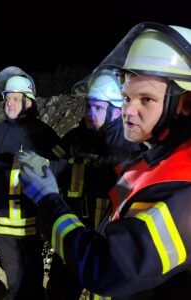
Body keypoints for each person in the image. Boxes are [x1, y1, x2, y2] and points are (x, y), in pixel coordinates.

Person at [16, 22, 191, 299]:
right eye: (126, 97)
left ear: (186, 104)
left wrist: (49, 198)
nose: (128, 110)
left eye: (146, 99)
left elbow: (107, 268)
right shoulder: (153, 160)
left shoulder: (184, 192)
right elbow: (112, 191)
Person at [46, 70, 144, 300]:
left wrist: (68, 167)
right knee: (58, 292)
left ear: (116, 111)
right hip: (73, 230)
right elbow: (49, 164)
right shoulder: (74, 137)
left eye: (98, 108)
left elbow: (111, 181)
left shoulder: (129, 145)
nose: (90, 113)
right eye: (89, 106)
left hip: (106, 239)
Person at [0, 66, 64, 300]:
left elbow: (60, 169)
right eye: (8, 98)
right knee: (16, 282)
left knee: (32, 281)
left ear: (29, 102)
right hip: (1, 224)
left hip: (31, 225)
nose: (10, 103)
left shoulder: (43, 134)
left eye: (16, 98)